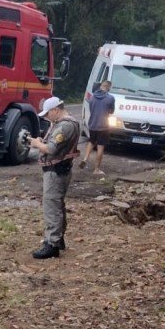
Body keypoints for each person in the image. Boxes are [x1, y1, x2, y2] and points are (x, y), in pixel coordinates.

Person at [27, 96, 80, 259]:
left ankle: (52, 244)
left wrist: (37, 144)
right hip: (60, 169)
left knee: (51, 206)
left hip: (55, 171)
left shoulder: (64, 126)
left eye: (47, 114)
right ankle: (59, 238)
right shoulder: (69, 123)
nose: (46, 118)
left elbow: (51, 149)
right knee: (58, 204)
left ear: (55, 110)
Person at [80, 80, 115, 176]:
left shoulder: (92, 97)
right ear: (108, 87)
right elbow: (111, 111)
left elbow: (91, 109)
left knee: (91, 142)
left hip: (92, 124)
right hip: (103, 126)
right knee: (100, 146)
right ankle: (97, 169)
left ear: (100, 86)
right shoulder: (110, 98)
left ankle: (85, 158)